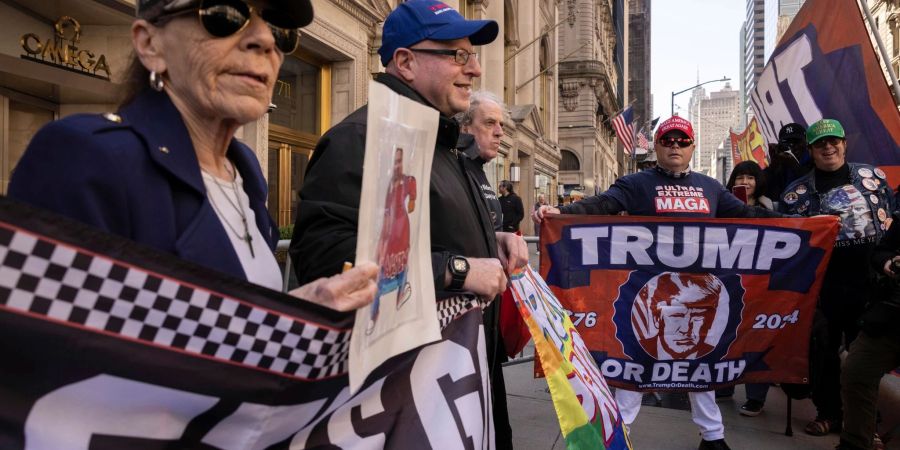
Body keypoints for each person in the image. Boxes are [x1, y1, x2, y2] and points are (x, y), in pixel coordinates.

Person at [7, 0, 376, 312]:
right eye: (225, 15)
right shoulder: (87, 155)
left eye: (280, 30)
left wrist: (300, 313)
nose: (264, 40)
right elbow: (51, 358)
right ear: (150, 44)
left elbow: (232, 318)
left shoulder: (246, 172)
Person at [287, 2, 527, 447]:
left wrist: (489, 239)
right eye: (457, 55)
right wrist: (458, 270)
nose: (474, 68)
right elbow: (325, 257)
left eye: (472, 55)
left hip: (465, 385)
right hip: (408, 398)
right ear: (406, 62)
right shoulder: (361, 139)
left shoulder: (442, 144)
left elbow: (422, 229)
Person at [534, 115, 784, 450]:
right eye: (668, 141)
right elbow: (603, 205)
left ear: (693, 147)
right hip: (648, 296)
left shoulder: (710, 188)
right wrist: (562, 213)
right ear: (657, 146)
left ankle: (713, 438)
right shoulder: (636, 183)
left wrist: (801, 223)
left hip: (701, 296)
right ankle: (614, 439)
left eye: (683, 141)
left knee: (702, 368)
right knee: (635, 369)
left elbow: (748, 216)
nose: (676, 146)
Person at [777, 118, 895, 438]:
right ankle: (829, 412)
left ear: (844, 143)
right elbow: (786, 245)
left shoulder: (872, 178)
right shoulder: (796, 194)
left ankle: (864, 422)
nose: (828, 147)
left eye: (834, 141)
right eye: (820, 144)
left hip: (870, 284)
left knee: (865, 358)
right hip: (823, 287)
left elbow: (893, 221)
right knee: (824, 353)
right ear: (811, 151)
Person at [837, 218, 900, 450]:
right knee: (857, 371)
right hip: (890, 317)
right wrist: (890, 262)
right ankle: (854, 441)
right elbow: (880, 252)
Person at [722, 160, 774, 416]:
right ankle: (723, 385)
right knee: (725, 334)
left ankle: (755, 397)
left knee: (757, 337)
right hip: (728, 281)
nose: (744, 182)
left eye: (750, 177)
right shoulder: (721, 205)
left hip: (760, 282)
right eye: (740, 177)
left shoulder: (770, 207)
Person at [636, 272, 726, 360]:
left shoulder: (719, 354)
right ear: (656, 319)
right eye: (677, 315)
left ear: (710, 321)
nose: (685, 329)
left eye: (697, 316)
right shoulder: (637, 354)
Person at [455, 90, 506, 231]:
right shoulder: (455, 170)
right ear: (465, 128)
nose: (499, 132)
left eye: (501, 125)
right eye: (490, 123)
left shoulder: (477, 168)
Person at [763, 122, 812, 204]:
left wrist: (794, 166)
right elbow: (764, 188)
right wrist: (773, 165)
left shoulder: (815, 160)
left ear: (806, 143)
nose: (792, 145)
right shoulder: (780, 163)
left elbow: (814, 185)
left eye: (796, 141)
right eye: (787, 142)